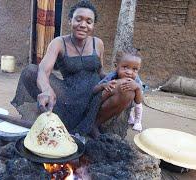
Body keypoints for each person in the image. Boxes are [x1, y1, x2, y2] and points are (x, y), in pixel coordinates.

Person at [11, 1, 137, 137]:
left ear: (93, 25)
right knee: (30, 71)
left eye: (89, 21)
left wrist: (118, 80)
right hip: (68, 94)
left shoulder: (98, 44)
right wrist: (47, 89)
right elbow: (43, 70)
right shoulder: (59, 43)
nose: (83, 25)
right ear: (70, 21)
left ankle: (93, 124)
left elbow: (100, 72)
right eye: (78, 19)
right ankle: (67, 119)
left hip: (95, 93)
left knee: (128, 92)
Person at [93, 50, 143, 134]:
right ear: (116, 66)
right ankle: (92, 121)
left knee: (130, 92)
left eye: (134, 69)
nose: (129, 72)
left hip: (116, 107)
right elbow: (94, 90)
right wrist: (104, 85)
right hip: (100, 103)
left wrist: (137, 88)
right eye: (125, 67)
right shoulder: (112, 76)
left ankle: (96, 124)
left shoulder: (136, 80)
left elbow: (138, 101)